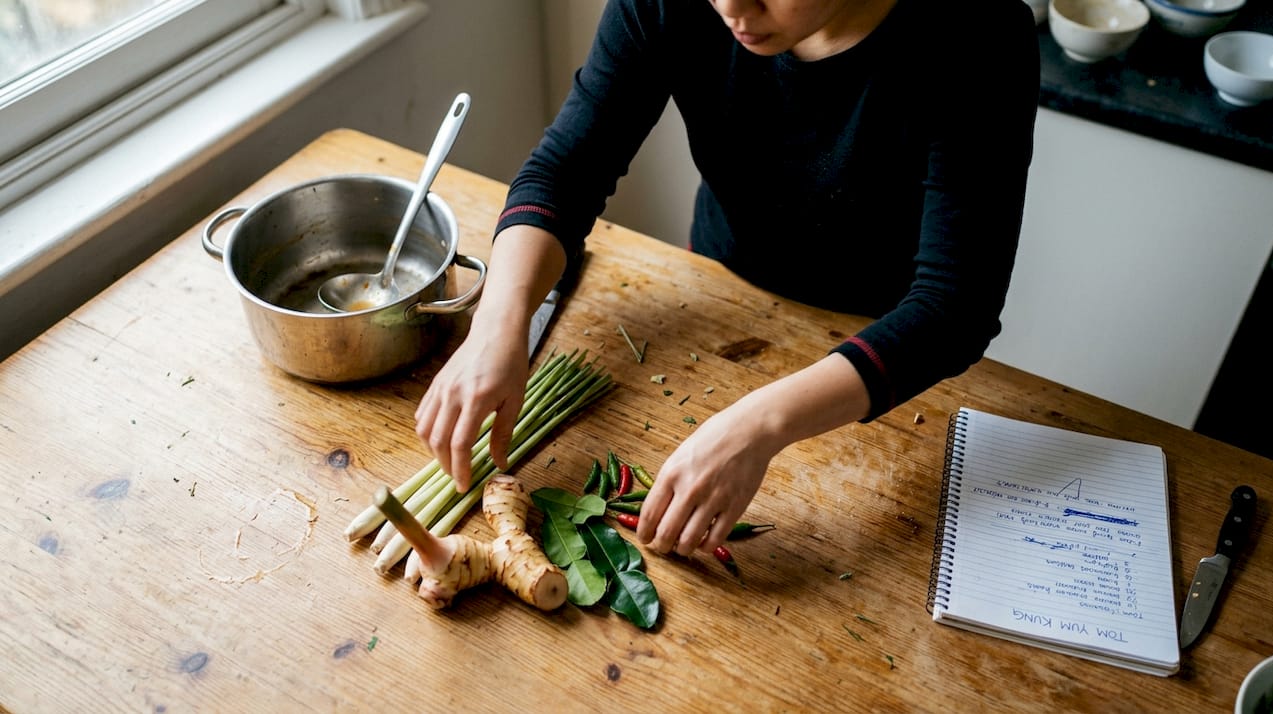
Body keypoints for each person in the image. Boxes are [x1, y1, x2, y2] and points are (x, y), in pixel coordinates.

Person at [416, 0, 1039, 560]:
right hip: (723, 287)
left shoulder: (977, 33)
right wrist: (501, 323)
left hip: (885, 348)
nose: (733, 8)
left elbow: (956, 307)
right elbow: (565, 171)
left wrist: (761, 425)